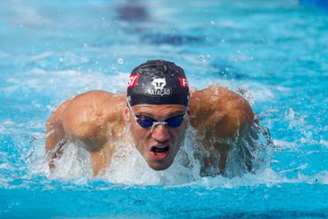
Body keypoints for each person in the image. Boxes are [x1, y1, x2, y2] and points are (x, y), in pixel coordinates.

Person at [46, 60, 256, 177]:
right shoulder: (88, 121)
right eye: (146, 120)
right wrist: (52, 168)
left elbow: (255, 163)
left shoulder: (227, 118)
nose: (161, 135)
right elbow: (54, 126)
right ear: (127, 114)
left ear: (188, 113)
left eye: (174, 119)